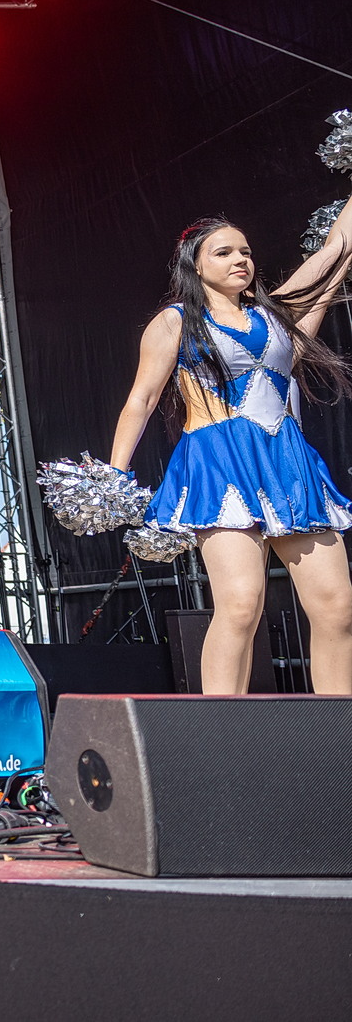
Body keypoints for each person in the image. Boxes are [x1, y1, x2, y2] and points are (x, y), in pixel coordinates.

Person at [107, 212, 352, 695]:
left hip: (289, 465)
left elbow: (336, 249)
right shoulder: (176, 321)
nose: (240, 259)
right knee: (240, 606)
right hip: (220, 464)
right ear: (195, 266)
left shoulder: (278, 314)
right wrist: (114, 475)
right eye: (223, 252)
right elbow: (142, 398)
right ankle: (220, 729)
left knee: (337, 606)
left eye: (246, 251)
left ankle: (339, 724)